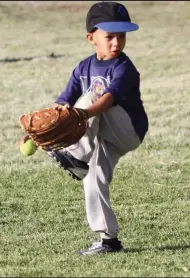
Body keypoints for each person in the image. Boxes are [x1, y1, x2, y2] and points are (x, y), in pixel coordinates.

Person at [47, 1, 149, 255]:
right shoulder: (83, 67)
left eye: (122, 36)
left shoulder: (124, 67)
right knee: (92, 179)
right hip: (101, 132)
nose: (117, 43)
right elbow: (63, 102)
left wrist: (81, 114)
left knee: (92, 97)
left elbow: (107, 100)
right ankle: (108, 240)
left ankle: (76, 155)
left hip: (127, 131)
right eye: (110, 36)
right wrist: (49, 127)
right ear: (92, 38)